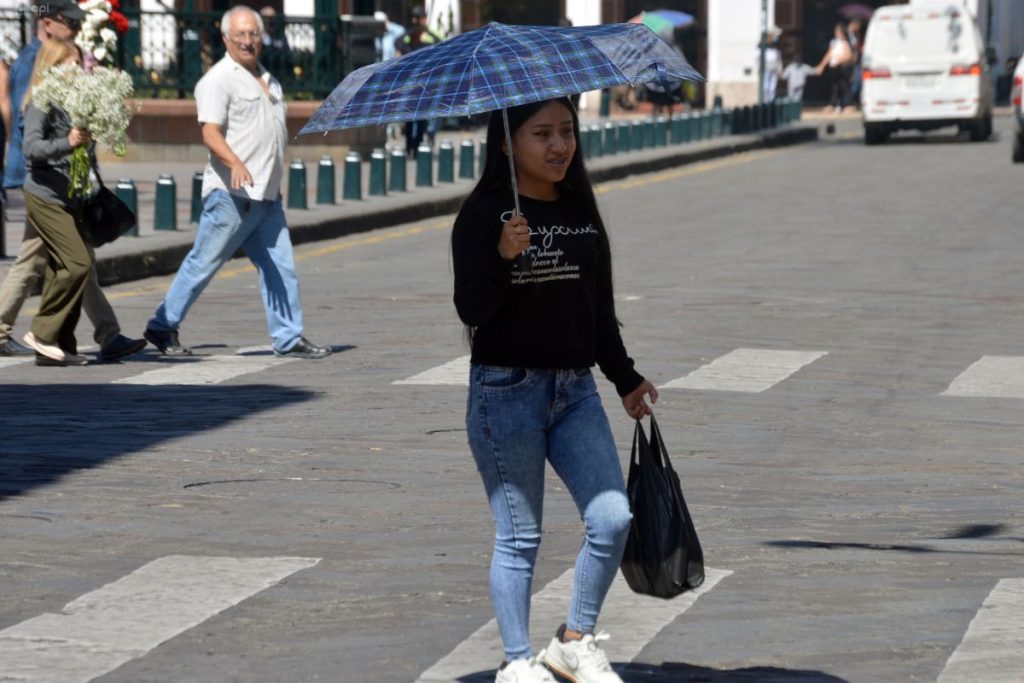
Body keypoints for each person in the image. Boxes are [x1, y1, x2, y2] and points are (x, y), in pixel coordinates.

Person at [451, 97, 659, 683]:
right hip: (505, 391)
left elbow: (597, 312)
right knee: (520, 536)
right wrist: (502, 257)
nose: (559, 145)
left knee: (613, 517)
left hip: (575, 393)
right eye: (541, 133)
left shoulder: (579, 209)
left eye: (567, 131)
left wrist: (624, 377)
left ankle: (573, 639)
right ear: (507, 143)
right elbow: (472, 310)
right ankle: (517, 662)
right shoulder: (484, 214)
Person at [143, 6, 329, 359]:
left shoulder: (269, 79)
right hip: (232, 194)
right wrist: (235, 163)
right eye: (240, 35)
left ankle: (288, 337)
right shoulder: (217, 80)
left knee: (281, 266)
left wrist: (274, 177)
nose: (247, 41)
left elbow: (270, 135)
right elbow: (210, 133)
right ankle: (162, 325)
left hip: (266, 196)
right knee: (204, 262)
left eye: (253, 34)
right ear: (226, 38)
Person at [0, 1, 145, 361]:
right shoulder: (35, 62)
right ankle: (84, 334)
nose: (77, 30)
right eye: (70, 23)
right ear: (47, 23)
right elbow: (27, 123)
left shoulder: (72, 58)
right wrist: (63, 149)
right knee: (62, 261)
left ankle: (90, 337)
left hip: (62, 180)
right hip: (41, 179)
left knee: (69, 261)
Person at [396, 5, 442, 156]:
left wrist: (425, 30)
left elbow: (440, 44)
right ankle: (409, 146)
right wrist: (412, 30)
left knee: (421, 118)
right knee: (409, 118)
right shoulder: (407, 39)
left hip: (425, 83)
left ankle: (416, 147)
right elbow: (397, 43)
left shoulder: (429, 38)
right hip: (409, 83)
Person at [815, 22, 854, 112]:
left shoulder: (846, 42)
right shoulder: (834, 42)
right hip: (834, 68)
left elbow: (849, 55)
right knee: (834, 87)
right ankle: (833, 104)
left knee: (845, 86)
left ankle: (848, 105)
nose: (837, 33)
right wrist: (822, 65)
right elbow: (829, 54)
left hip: (843, 68)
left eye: (838, 31)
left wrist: (840, 60)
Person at [258, 6, 293, 84]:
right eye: (266, 18)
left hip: (278, 76)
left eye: (272, 19)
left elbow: (287, 54)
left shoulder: (280, 36)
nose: (269, 22)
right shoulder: (257, 36)